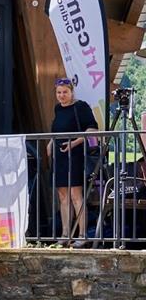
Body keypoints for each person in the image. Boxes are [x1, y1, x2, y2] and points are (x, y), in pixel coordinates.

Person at [47, 77, 99, 245]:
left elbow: (92, 129)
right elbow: (56, 130)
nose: (61, 95)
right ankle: (65, 234)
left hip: (75, 155)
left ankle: (82, 234)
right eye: (59, 92)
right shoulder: (58, 109)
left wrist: (74, 142)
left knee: (76, 195)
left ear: (71, 92)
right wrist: (50, 143)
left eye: (65, 92)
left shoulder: (81, 107)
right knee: (62, 196)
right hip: (60, 156)